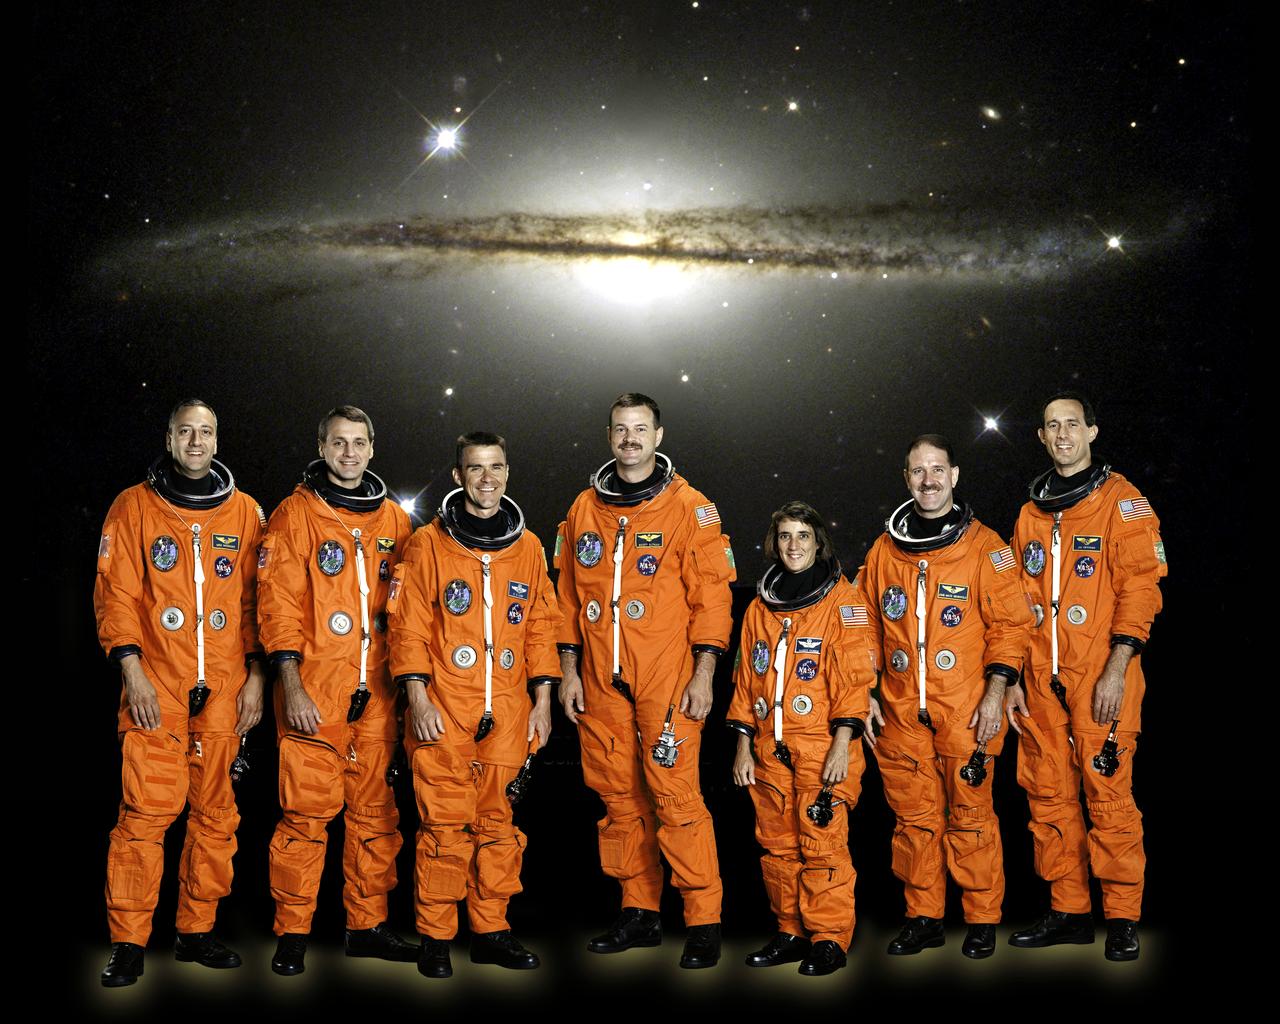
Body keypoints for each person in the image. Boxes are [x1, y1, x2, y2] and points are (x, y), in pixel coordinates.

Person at [555, 393, 736, 969]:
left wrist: (705, 674)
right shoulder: (583, 508)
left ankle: (703, 920)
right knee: (619, 798)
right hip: (599, 679)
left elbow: (713, 600)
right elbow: (565, 599)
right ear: (608, 436)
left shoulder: (691, 507)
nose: (629, 439)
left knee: (675, 797)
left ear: (658, 436)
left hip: (668, 677)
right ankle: (639, 912)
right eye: (620, 429)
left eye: (640, 429)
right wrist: (568, 671)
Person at [95, 399, 266, 987]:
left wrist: (257, 677)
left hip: (224, 687)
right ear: (169, 439)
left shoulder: (245, 512)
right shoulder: (133, 506)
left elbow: (258, 604)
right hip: (156, 684)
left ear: (218, 440)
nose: (196, 441)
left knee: (215, 816)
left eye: (206, 432)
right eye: (186, 431)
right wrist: (132, 670)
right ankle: (129, 942)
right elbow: (115, 594)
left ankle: (196, 931)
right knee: (145, 817)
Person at [387, 432, 561, 978]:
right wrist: (417, 698)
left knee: (497, 825)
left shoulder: (528, 547)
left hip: (508, 708)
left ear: (507, 473)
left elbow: (541, 627)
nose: (487, 479)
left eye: (496, 467)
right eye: (476, 468)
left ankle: (491, 930)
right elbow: (408, 627)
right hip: (444, 704)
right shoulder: (427, 544)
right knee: (444, 826)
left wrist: (543, 701)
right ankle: (436, 936)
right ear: (458, 476)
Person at [257, 405, 417, 975]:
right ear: (322, 447)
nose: (349, 453)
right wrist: (291, 684)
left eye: (358, 443)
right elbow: (276, 605)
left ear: (372, 448)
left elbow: (411, 611)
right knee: (305, 817)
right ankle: (293, 933)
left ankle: (366, 926)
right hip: (314, 691)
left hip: (379, 693)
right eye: (338, 442)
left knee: (376, 816)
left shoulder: (395, 521)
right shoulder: (295, 514)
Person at [1005, 392, 1165, 962]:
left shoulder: (1123, 502)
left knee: (1107, 794)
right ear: (1041, 437)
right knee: (1048, 795)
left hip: (1100, 673)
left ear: (1092, 432)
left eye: (1072, 423)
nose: (1063, 434)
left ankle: (1121, 917)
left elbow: (1142, 588)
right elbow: (1016, 601)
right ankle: (1069, 911)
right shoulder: (1030, 514)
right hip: (1040, 677)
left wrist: (1118, 667)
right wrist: (1015, 675)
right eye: (1052, 426)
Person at [860, 434, 1033, 960]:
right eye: (918, 471)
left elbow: (1011, 625)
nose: (928, 480)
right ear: (906, 479)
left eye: (938, 469)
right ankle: (924, 917)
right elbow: (862, 626)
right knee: (914, 821)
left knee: (971, 816)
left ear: (954, 476)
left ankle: (981, 919)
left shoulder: (986, 547)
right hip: (900, 711)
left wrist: (996, 691)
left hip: (966, 706)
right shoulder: (884, 550)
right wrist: (863, 690)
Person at [727, 502, 876, 976]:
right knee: (779, 846)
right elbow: (745, 682)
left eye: (803, 536)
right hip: (769, 747)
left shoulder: (844, 603)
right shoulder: (759, 608)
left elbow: (855, 682)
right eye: (785, 536)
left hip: (821, 745)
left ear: (818, 543)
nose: (794, 546)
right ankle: (790, 930)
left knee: (822, 845)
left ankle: (828, 937)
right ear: (775, 544)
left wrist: (842, 745)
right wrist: (743, 746)